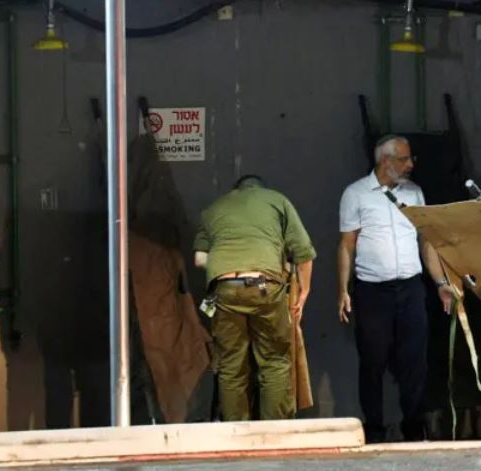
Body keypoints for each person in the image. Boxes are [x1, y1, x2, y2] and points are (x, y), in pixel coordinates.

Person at [337, 135, 453, 443]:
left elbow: (425, 241)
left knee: (415, 361)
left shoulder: (414, 193)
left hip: (412, 289)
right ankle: (374, 429)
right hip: (373, 292)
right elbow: (347, 245)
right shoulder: (356, 194)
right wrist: (343, 290)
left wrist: (441, 283)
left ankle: (413, 427)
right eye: (404, 159)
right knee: (372, 362)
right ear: (385, 161)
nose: (411, 164)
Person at [194, 175, 316, 421]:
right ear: (261, 189)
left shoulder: (214, 208)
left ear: (236, 190)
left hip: (224, 288)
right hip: (265, 287)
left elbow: (199, 259)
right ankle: (274, 433)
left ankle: (235, 434)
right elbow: (303, 251)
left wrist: (230, 265)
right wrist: (303, 292)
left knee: (230, 366)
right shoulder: (277, 201)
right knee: (274, 362)